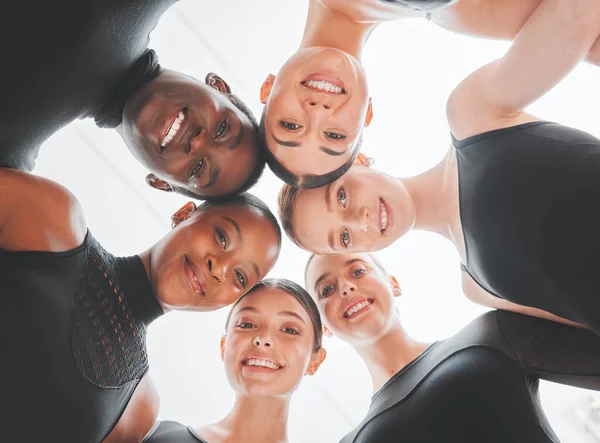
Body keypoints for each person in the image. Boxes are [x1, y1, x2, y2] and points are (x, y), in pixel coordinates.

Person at [278, 0, 600, 333]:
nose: (360, 219)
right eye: (344, 237)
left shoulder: (472, 114)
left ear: (357, 160)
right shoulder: (477, 288)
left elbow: (580, 11)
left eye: (342, 197)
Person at [0, 166, 281, 442]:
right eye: (222, 238)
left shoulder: (139, 409)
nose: (219, 270)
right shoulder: (48, 218)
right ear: (184, 215)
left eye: (240, 276)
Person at [259, 0, 600, 187]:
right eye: (334, 135)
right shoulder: (465, 14)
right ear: (367, 115)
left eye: (290, 125)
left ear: (269, 87)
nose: (317, 110)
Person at [305, 252, 600, 443]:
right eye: (326, 290)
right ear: (325, 328)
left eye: (357, 271)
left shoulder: (492, 333)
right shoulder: (353, 441)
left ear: (393, 283)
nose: (346, 287)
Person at [1, 1, 264, 199]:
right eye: (221, 129)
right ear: (218, 87)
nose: (196, 142)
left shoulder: (9, 154)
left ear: (161, 183)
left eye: (197, 169)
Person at [142, 279, 326, 443]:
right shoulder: (154, 437)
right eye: (247, 325)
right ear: (224, 347)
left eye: (289, 330)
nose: (263, 338)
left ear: (315, 361)